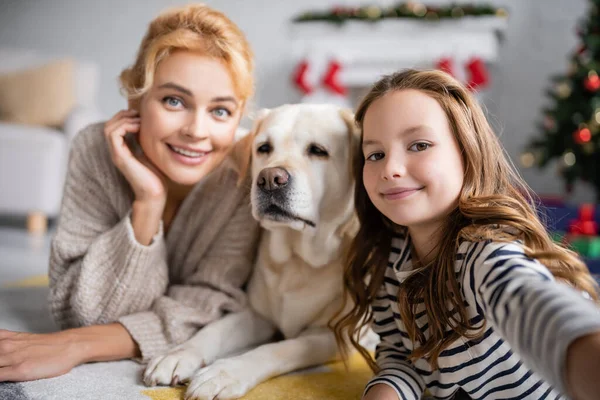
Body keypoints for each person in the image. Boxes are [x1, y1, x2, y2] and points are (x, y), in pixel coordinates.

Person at [0, 4, 260, 382]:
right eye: (174, 101)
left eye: (220, 111)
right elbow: (86, 311)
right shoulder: (95, 149)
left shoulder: (245, 172)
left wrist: (77, 345)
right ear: (136, 99)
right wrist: (147, 204)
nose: (196, 131)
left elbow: (209, 307)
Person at [332, 69, 600, 400]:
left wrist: (583, 347)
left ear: (467, 153)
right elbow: (402, 356)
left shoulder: (485, 249)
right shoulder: (389, 261)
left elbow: (527, 298)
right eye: (376, 154)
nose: (390, 169)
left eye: (419, 145)